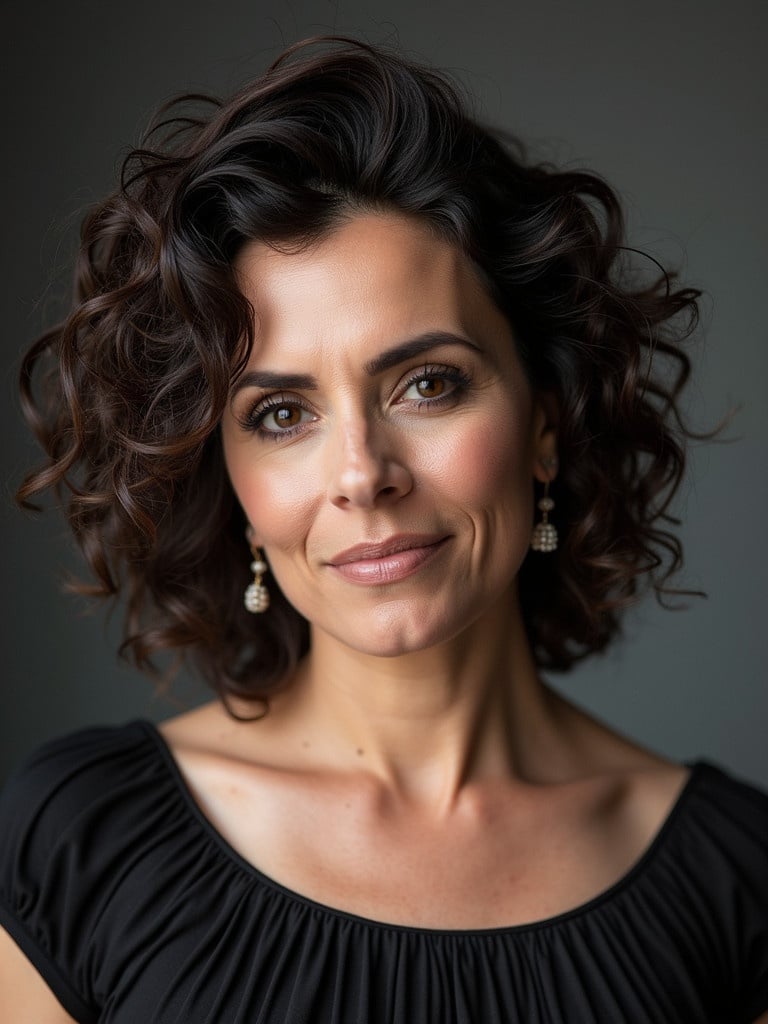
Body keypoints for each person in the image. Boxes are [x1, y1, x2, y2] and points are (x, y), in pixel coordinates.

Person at [1, 34, 766, 1024]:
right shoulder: (81, 841)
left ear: (540, 420)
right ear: (226, 474)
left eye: (427, 383)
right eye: (281, 413)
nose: (363, 473)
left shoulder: (736, 883)